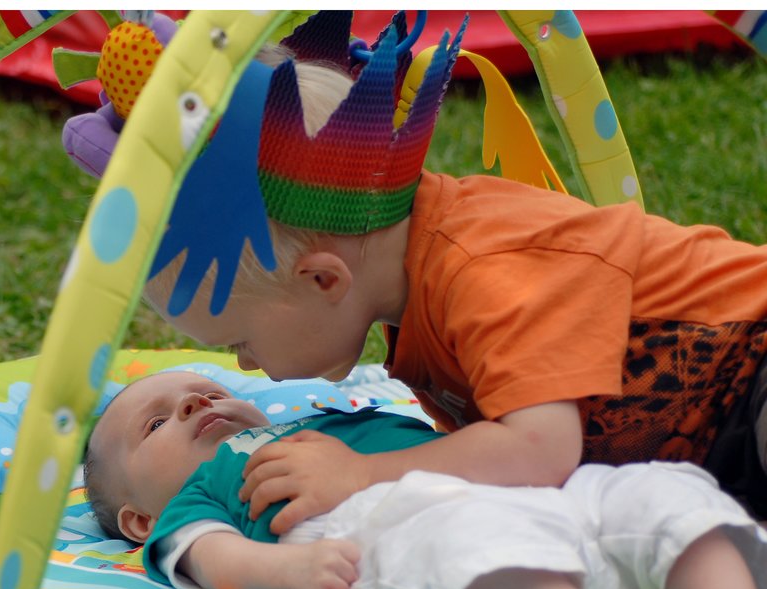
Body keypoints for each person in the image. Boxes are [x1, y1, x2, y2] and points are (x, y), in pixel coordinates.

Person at [65, 11, 767, 531]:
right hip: (720, 465)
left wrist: (362, 473)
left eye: (238, 340)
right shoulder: (407, 308)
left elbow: (540, 449)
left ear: (322, 279)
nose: (247, 364)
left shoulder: (479, 263)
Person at [84, 370, 767, 589]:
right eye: (156, 421)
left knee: (656, 492)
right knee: (479, 554)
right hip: (403, 522)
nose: (195, 402)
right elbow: (217, 560)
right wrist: (289, 568)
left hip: (540, 492)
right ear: (139, 519)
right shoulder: (196, 497)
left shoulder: (329, 418)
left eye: (205, 391)